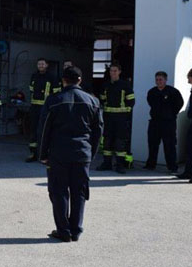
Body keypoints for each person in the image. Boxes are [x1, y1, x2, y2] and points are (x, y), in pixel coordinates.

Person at [38, 66, 103, 242]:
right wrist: (91, 153)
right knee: (79, 192)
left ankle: (63, 231)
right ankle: (76, 230)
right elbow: (98, 132)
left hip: (58, 154)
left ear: (63, 80)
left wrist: (43, 154)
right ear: (80, 80)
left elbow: (44, 129)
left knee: (59, 192)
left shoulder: (53, 100)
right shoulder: (93, 101)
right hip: (82, 154)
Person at [96, 63, 134, 174]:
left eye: (115, 71)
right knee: (107, 141)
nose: (113, 73)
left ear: (119, 72)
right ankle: (106, 163)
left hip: (121, 119)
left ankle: (120, 165)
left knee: (120, 142)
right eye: (111, 71)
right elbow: (102, 99)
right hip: (108, 118)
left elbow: (131, 101)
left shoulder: (125, 85)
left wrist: (125, 114)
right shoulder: (105, 85)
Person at [144, 71, 184, 172]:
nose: (158, 82)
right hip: (155, 122)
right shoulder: (152, 92)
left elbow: (179, 104)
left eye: (160, 79)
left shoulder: (173, 92)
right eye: (157, 80)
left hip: (168, 123)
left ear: (165, 80)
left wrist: (170, 114)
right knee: (152, 144)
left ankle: (172, 167)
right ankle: (151, 165)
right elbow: (150, 103)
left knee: (169, 146)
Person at [27, 58, 60, 162]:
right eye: (39, 64)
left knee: (46, 130)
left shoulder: (52, 77)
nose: (40, 66)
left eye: (42, 64)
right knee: (33, 130)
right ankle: (33, 153)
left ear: (47, 65)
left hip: (46, 108)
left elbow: (56, 93)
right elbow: (31, 90)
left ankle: (46, 154)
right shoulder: (34, 76)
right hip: (34, 107)